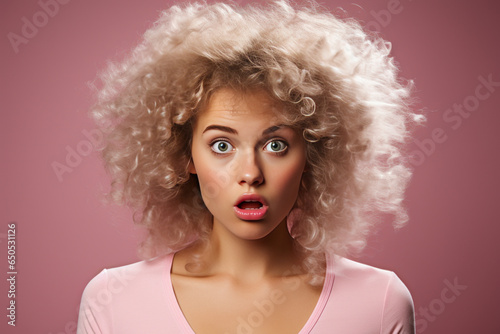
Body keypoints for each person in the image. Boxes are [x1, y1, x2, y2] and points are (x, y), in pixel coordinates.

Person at [77, 1, 422, 333]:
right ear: (184, 156)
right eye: (222, 146)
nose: (251, 174)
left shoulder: (378, 303)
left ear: (312, 156)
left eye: (276, 145)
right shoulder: (113, 300)